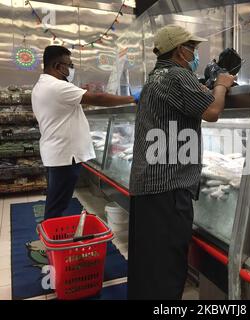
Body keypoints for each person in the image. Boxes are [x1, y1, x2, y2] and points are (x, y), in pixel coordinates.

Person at [128, 25, 236, 300]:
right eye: (193, 49)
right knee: (168, 264)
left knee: (149, 262)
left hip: (148, 184)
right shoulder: (177, 75)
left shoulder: (156, 77)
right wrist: (222, 86)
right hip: (169, 187)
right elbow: (212, 111)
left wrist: (206, 88)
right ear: (180, 51)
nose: (195, 54)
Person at [32, 45, 135, 220]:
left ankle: (54, 237)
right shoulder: (56, 87)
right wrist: (133, 98)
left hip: (58, 153)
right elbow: (98, 98)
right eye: (69, 65)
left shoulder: (42, 86)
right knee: (57, 204)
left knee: (56, 200)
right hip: (64, 155)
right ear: (57, 66)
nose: (71, 69)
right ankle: (54, 241)